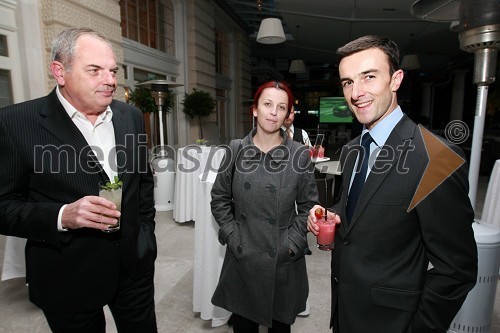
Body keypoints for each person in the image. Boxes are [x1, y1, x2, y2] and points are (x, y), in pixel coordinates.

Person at [307, 35, 477, 333]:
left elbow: (457, 269)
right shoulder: (351, 151)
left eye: (369, 77)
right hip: (345, 311)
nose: (356, 92)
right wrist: (334, 214)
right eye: (347, 82)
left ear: (396, 79)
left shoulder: (436, 158)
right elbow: (361, 208)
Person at [0, 28, 157, 332]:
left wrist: (145, 236)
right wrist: (63, 216)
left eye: (112, 70)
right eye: (95, 70)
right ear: (60, 72)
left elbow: (143, 183)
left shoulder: (131, 116)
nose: (110, 80)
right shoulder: (15, 123)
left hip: (133, 266)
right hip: (66, 274)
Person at [211, 81, 319, 332]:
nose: (273, 112)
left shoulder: (299, 155)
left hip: (282, 260)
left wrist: (290, 246)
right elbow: (219, 198)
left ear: (287, 115)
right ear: (255, 110)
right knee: (243, 326)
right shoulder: (236, 149)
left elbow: (308, 207)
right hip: (242, 255)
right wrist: (232, 235)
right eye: (267, 104)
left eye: (281, 107)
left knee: (280, 326)